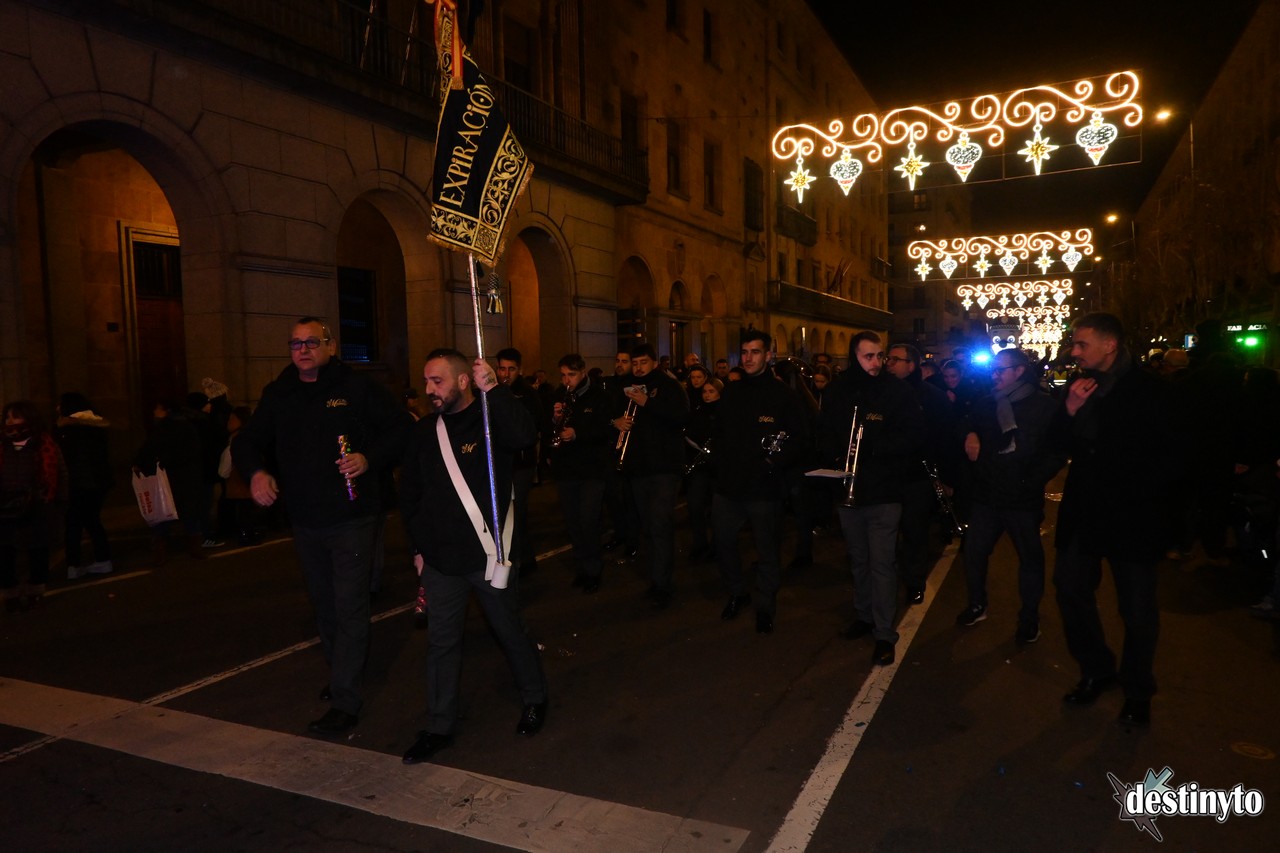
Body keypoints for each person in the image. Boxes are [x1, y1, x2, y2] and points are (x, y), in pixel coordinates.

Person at [233, 317, 411, 736]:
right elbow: (247, 440)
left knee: (350, 606)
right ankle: (342, 674)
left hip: (353, 516)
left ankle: (346, 701)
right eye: (296, 343)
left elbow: (402, 427)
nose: (303, 350)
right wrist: (256, 472)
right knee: (324, 604)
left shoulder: (357, 388)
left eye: (312, 342)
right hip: (305, 519)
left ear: (331, 345)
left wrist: (368, 458)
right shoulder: (280, 393)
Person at [398, 349, 547, 764]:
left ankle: (535, 698)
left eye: (438, 381)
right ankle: (438, 724)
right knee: (441, 644)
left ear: (463, 381)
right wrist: (417, 549)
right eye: (427, 381)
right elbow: (410, 494)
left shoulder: (490, 419)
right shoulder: (425, 431)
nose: (429, 389)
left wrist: (494, 391)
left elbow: (525, 437)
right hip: (441, 561)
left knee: (509, 630)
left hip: (488, 556)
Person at [1050, 313, 1178, 728]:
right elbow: (1056, 445)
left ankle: (1138, 689)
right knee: (1070, 588)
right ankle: (1097, 668)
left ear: (1110, 345)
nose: (1074, 351)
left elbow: (1173, 457)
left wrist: (1169, 519)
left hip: (1133, 516)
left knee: (1137, 609)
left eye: (1082, 344)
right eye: (1074, 344)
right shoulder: (1078, 387)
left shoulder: (1152, 390)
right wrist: (1070, 410)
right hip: (1085, 511)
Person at [819, 332, 924, 665]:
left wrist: (873, 447)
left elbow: (912, 437)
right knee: (858, 559)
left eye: (880, 356)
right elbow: (826, 432)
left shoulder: (898, 391)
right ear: (855, 356)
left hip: (884, 491)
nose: (877, 362)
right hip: (849, 489)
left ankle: (884, 633)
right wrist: (836, 457)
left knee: (882, 563)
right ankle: (864, 615)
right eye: (869, 356)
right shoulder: (839, 390)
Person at [955, 349, 1066, 643]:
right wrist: (970, 434)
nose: (994, 375)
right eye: (992, 370)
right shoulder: (988, 401)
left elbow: (1057, 451)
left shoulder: (1044, 406)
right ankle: (977, 604)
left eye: (1000, 370)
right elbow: (968, 422)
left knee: (1029, 559)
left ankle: (1029, 618)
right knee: (974, 552)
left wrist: (1031, 480)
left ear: (1019, 371)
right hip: (987, 494)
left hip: (1021, 498)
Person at [711, 331, 809, 634]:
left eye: (755, 352)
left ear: (768, 355)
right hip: (729, 486)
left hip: (765, 488)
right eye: (744, 352)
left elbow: (800, 439)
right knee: (723, 542)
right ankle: (737, 593)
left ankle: (765, 605)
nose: (748, 358)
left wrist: (772, 464)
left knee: (767, 549)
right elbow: (719, 434)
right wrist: (720, 467)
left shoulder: (784, 396)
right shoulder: (731, 392)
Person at [615, 342, 690, 608]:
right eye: (635, 363)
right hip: (639, 468)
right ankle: (656, 578)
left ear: (654, 363)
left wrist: (648, 402)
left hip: (664, 468)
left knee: (660, 524)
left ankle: (662, 583)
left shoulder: (669, 386)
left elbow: (681, 416)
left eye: (643, 363)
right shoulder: (625, 387)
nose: (638, 368)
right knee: (648, 525)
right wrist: (616, 422)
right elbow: (612, 413)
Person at [885, 343, 958, 603]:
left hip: (918, 475)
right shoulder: (881, 394)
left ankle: (914, 581)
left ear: (911, 365)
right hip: (887, 474)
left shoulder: (933, 397)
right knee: (886, 531)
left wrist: (946, 478)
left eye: (895, 359)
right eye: (888, 358)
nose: (888, 363)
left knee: (915, 530)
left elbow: (946, 439)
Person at [548, 353, 612, 592]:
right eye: (563, 375)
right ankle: (581, 568)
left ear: (583, 372)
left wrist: (578, 433)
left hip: (592, 469)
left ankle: (593, 570)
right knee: (573, 522)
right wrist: (555, 419)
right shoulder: (559, 394)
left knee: (588, 520)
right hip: (567, 469)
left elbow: (605, 430)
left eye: (571, 375)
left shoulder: (599, 396)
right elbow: (548, 428)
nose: (567, 380)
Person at [1, 401, 67, 611]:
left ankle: (35, 590)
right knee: (5, 552)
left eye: (15, 416)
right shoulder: (2, 443)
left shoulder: (43, 443)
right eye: (7, 417)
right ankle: (10, 593)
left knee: (38, 550)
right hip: (4, 506)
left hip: (36, 504)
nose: (10, 421)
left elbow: (60, 472)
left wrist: (59, 501)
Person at [135, 398, 207, 564]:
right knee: (189, 513)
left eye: (158, 408)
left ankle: (161, 551)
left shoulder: (163, 429)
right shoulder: (187, 426)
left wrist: (143, 464)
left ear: (166, 411)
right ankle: (195, 548)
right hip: (187, 478)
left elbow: (149, 450)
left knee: (164, 513)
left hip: (168, 479)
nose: (155, 412)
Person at [495, 347, 543, 575]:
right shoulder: (493, 391)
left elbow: (532, 426)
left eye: (511, 369)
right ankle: (521, 556)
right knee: (505, 513)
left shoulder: (528, 394)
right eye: (502, 368)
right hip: (500, 461)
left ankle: (520, 559)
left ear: (520, 370)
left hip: (521, 463)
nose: (506, 374)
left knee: (516, 511)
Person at [56, 392, 115, 579]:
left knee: (74, 523)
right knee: (91, 521)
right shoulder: (96, 426)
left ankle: (74, 564)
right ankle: (101, 559)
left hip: (78, 483)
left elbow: (71, 460)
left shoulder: (68, 429)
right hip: (98, 482)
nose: (57, 408)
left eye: (60, 404)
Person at [601, 349, 639, 557]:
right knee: (613, 496)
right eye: (617, 360)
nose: (620, 364)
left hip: (631, 448)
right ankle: (621, 533)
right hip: (611, 446)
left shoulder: (636, 385)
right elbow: (602, 414)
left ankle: (633, 538)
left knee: (629, 498)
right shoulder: (607, 385)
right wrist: (612, 422)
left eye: (625, 361)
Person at [685, 378, 721, 563]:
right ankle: (699, 544)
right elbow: (690, 433)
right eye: (705, 392)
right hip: (700, 467)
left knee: (717, 510)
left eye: (711, 391)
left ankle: (717, 546)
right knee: (695, 505)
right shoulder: (698, 412)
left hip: (718, 468)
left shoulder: (724, 412)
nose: (707, 395)